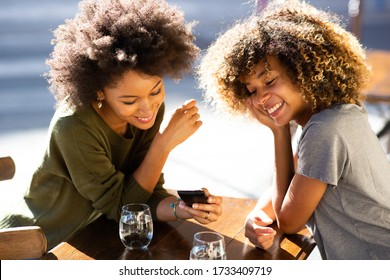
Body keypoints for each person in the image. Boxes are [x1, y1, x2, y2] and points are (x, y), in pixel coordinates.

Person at [0, 0, 222, 250]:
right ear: (99, 92)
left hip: (98, 234)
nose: (147, 108)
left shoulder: (144, 113)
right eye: (129, 100)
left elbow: (142, 192)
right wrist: (163, 144)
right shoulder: (73, 127)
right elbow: (122, 207)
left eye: (156, 90)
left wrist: (180, 209)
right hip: (38, 245)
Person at [196, 0, 390, 259]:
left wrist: (279, 132)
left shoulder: (325, 130)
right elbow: (294, 184)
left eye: (270, 81)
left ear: (304, 71)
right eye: (253, 90)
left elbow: (288, 221)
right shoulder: (335, 113)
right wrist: (258, 214)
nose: (262, 97)